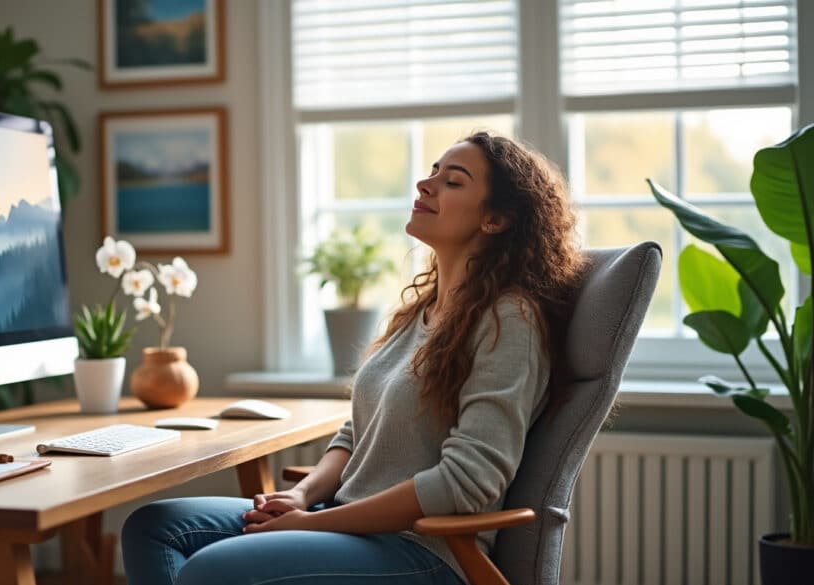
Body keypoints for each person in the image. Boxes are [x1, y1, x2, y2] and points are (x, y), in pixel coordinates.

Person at [121, 131, 585, 585]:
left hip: (423, 550)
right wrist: (301, 495)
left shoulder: (509, 321)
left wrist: (311, 525)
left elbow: (467, 482)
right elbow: (355, 432)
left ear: (495, 219)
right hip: (345, 521)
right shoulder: (421, 311)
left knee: (211, 569)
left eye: (453, 181)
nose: (426, 184)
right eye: (433, 172)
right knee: (154, 527)